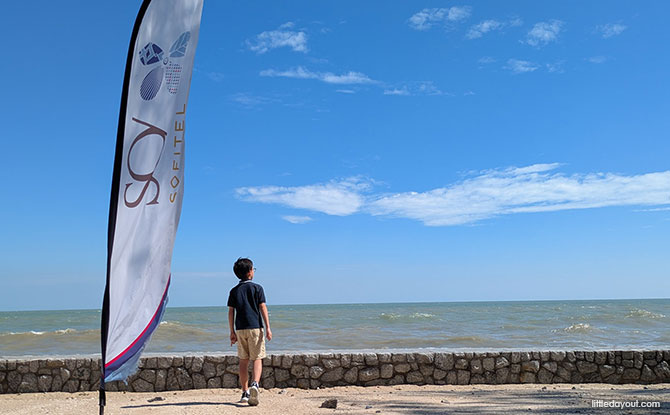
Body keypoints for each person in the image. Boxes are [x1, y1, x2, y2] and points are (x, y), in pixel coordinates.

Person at [227, 257, 272, 406]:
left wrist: (231, 331)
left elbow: (231, 312)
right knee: (257, 358)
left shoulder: (234, 291)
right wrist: (268, 328)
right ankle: (255, 384)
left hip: (240, 329)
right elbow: (263, 308)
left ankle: (245, 392)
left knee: (243, 361)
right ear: (250, 272)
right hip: (255, 328)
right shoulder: (257, 288)